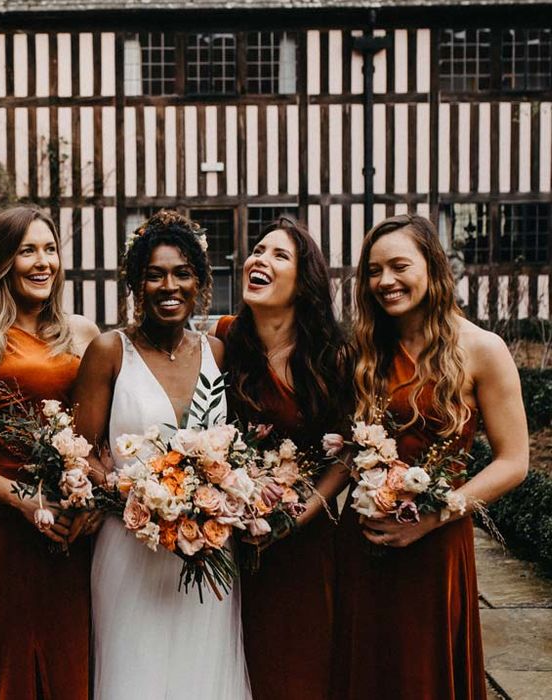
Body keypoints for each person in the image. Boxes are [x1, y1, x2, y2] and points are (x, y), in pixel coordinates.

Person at [331, 214, 528, 699]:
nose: (385, 281)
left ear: (432, 267)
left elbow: (513, 461)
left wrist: (434, 516)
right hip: (364, 543)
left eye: (399, 266)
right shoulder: (360, 351)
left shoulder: (483, 349)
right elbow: (339, 447)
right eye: (374, 271)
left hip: (435, 542)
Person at [73, 210, 251, 700]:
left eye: (181, 273)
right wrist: (134, 491)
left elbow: (236, 443)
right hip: (130, 547)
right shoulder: (110, 351)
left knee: (204, 672)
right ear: (136, 284)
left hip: (208, 545)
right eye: (154, 274)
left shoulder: (217, 351)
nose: (168, 286)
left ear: (199, 283)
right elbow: (81, 453)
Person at [0, 206, 99, 700]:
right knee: (15, 657)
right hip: (15, 528)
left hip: (82, 528)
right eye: (27, 250)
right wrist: (23, 498)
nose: (42, 262)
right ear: (1, 262)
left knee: (82, 653)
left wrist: (95, 501)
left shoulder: (84, 334)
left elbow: (106, 438)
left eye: (49, 249)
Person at [211, 217, 350, 700]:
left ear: (303, 280)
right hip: (231, 533)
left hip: (305, 541)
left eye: (278, 255)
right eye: (257, 250)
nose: (259, 260)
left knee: (298, 669)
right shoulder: (224, 339)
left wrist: (300, 514)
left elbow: (347, 452)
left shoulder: (333, 356)